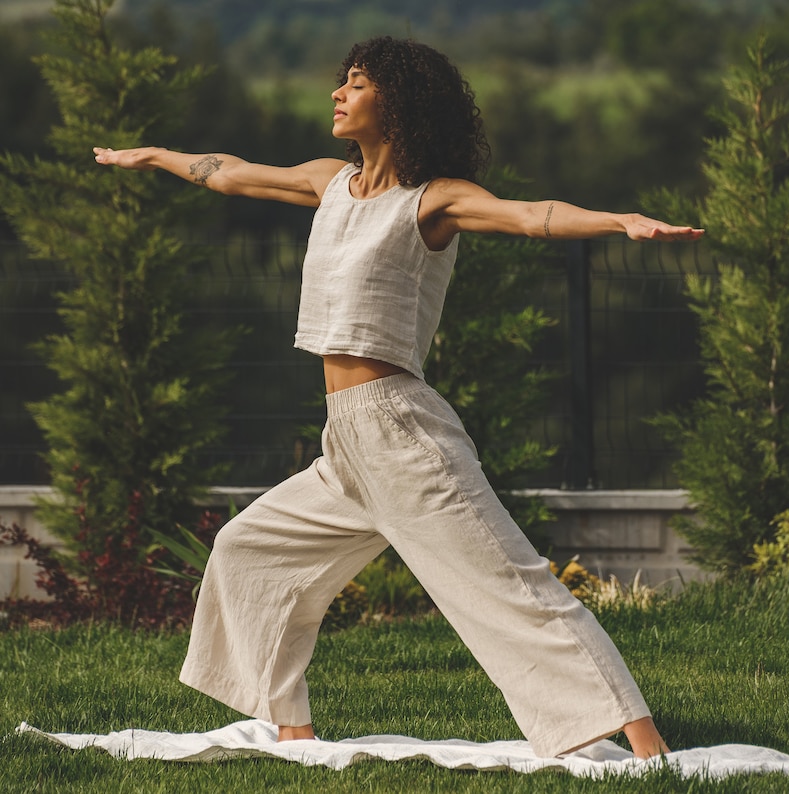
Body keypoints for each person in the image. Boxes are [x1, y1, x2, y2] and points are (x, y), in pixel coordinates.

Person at [94, 36, 702, 759]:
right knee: (249, 550)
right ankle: (292, 731)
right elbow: (230, 174)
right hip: (346, 440)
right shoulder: (329, 183)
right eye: (341, 82)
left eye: (355, 84)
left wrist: (618, 222)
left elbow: (528, 214)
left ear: (397, 103)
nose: (337, 94)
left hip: (402, 433)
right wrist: (155, 157)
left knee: (505, 584)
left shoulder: (433, 201)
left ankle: (646, 744)